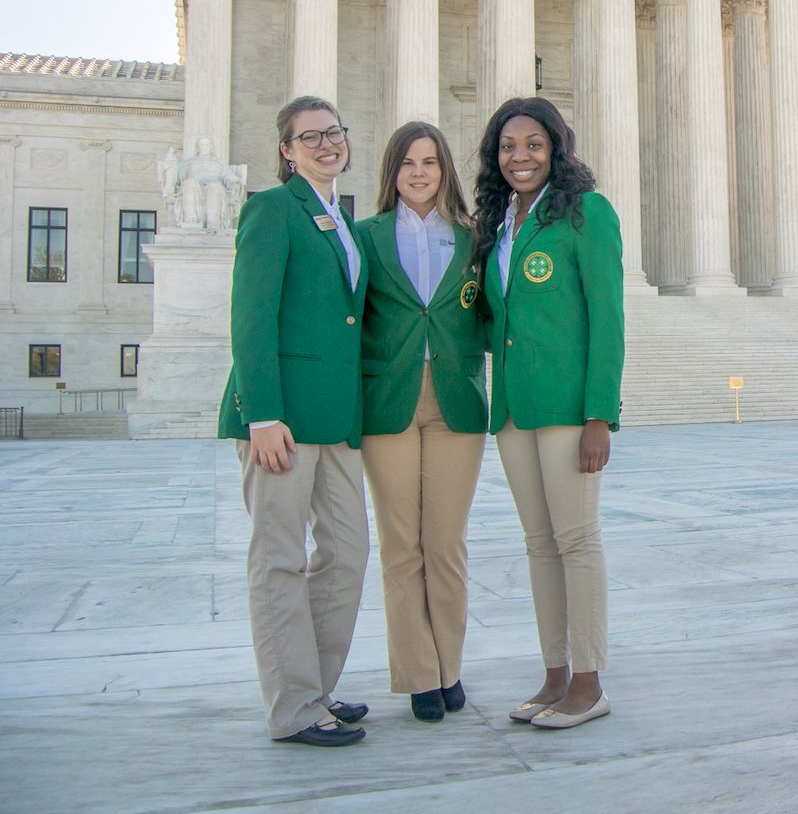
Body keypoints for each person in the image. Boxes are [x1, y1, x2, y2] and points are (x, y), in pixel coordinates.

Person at [217, 95, 370, 747]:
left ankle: (316, 688)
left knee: (348, 554)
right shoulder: (272, 209)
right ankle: (294, 708)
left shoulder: (344, 220)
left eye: (334, 132)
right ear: (286, 150)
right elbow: (251, 317)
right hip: (280, 420)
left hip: (335, 419)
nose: (325, 144)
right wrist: (263, 414)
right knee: (278, 558)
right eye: (310, 137)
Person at [472, 96, 623, 730]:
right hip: (512, 408)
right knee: (539, 546)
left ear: (557, 149)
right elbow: (494, 317)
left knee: (577, 541)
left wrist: (599, 415)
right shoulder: (501, 223)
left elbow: (607, 318)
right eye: (508, 147)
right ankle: (554, 675)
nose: (520, 156)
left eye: (533, 144)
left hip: (567, 407)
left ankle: (588, 683)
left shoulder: (587, 213)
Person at [356, 122, 488, 722]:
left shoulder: (472, 238)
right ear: (392, 171)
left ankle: (449, 666)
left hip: (455, 401)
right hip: (389, 401)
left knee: (446, 544)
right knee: (400, 544)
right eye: (407, 162)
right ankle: (418, 676)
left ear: (444, 170)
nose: (419, 172)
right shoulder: (366, 237)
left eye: (430, 162)